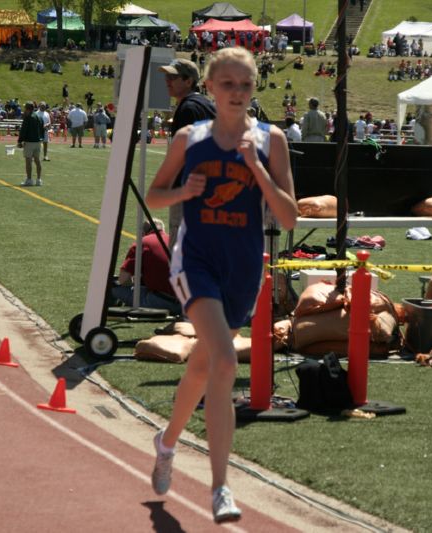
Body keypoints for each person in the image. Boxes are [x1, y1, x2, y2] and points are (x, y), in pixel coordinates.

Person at [145, 46, 297, 524]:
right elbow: (154, 194)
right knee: (228, 361)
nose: (237, 93)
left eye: (246, 85)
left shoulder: (271, 141)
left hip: (244, 267)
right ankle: (221, 489)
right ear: (209, 86)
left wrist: (255, 168)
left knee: (205, 362)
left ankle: (167, 440)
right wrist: (183, 193)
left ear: (255, 89)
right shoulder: (189, 139)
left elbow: (289, 217)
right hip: (196, 261)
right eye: (227, 84)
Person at [158, 58, 216, 250]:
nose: (167, 80)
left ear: (188, 81)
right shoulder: (206, 105)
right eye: (167, 76)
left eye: (173, 77)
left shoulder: (188, 109)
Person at [110, 219, 180, 315]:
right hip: (185, 303)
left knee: (111, 285)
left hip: (160, 301)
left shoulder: (142, 243)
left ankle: (111, 309)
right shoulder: (174, 241)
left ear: (142, 233)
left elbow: (123, 279)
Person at [17, 102, 44, 186]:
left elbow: (23, 130)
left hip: (29, 142)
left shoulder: (28, 117)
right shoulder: (39, 117)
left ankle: (29, 179)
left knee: (28, 161)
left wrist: (20, 141)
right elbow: (42, 129)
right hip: (38, 141)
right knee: (37, 160)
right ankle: (39, 179)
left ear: (28, 109)